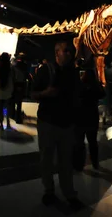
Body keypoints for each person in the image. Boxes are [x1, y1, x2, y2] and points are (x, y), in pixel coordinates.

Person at [32, 41, 82, 209]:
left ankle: (69, 192)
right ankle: (49, 190)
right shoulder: (46, 70)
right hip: (48, 122)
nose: (69, 54)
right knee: (47, 158)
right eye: (66, 51)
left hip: (67, 123)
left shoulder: (74, 72)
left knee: (65, 160)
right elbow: (32, 93)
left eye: (71, 51)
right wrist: (45, 93)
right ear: (57, 53)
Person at [73, 60, 104, 171]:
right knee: (92, 142)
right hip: (92, 117)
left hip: (80, 116)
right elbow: (102, 94)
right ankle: (95, 163)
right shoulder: (95, 86)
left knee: (79, 142)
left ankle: (79, 164)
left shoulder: (80, 85)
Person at [0, 53, 14, 130]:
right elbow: (14, 78)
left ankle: (1, 124)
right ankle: (7, 122)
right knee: (6, 108)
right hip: (8, 92)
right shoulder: (11, 68)